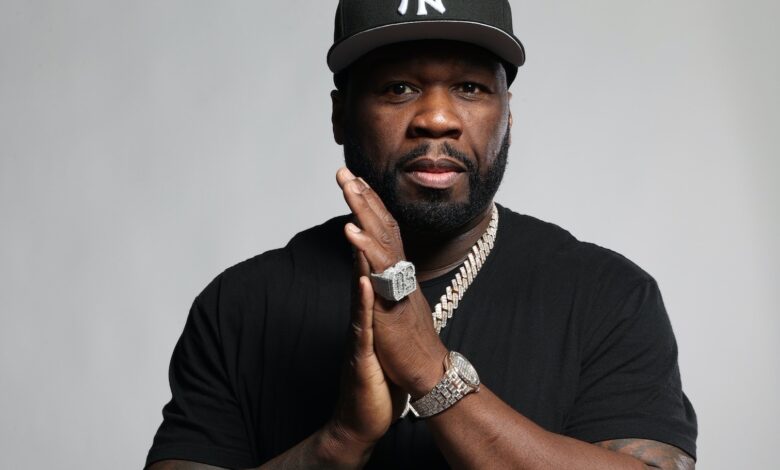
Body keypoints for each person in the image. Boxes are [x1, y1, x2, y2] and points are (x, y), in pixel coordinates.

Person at [146, 1, 697, 468]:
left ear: (508, 116)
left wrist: (433, 374)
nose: (436, 118)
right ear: (340, 115)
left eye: (470, 87)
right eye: (399, 87)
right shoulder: (242, 303)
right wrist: (340, 441)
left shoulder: (607, 295)